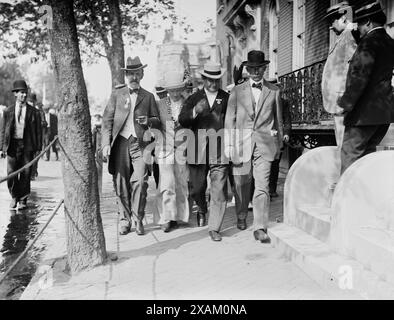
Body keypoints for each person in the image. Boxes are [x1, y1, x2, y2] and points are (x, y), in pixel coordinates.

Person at [225, 50, 284, 243]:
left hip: (265, 144)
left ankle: (260, 226)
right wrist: (229, 144)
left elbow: (279, 119)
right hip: (242, 143)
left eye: (260, 68)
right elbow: (229, 120)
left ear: (265, 68)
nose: (256, 72)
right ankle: (241, 215)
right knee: (242, 183)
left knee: (262, 186)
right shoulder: (236, 91)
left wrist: (279, 143)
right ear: (247, 70)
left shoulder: (274, 91)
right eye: (252, 69)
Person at [102, 56, 161, 236]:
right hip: (120, 143)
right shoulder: (117, 94)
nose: (134, 77)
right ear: (126, 76)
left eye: (137, 73)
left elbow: (157, 121)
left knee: (141, 181)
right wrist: (105, 144)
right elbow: (107, 121)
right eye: (130, 74)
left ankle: (138, 217)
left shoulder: (149, 97)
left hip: (141, 144)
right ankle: (124, 220)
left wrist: (149, 121)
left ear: (142, 74)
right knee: (120, 183)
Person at [337, 2, 394, 174]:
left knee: (350, 157)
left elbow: (358, 77)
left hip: (362, 115)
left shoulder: (368, 43)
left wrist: (345, 103)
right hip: (383, 114)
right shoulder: (390, 42)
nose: (358, 28)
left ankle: (346, 199)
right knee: (367, 160)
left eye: (360, 24)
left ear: (368, 22)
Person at [178, 62, 229, 242]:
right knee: (197, 188)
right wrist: (194, 111)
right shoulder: (194, 98)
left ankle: (214, 227)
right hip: (197, 149)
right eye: (210, 80)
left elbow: (231, 121)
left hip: (219, 149)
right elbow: (182, 120)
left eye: (217, 80)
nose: (214, 84)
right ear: (204, 79)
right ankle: (201, 208)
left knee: (219, 190)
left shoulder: (226, 97)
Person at [155, 71, 190, 232]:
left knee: (181, 182)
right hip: (164, 147)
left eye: (178, 89)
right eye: (172, 90)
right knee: (167, 183)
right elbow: (155, 122)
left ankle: (180, 216)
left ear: (182, 88)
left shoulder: (188, 103)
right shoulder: (160, 104)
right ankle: (166, 218)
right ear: (167, 90)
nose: (175, 93)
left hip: (182, 147)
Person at [0, 80, 42, 210]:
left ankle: (23, 200)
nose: (24, 95)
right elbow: (3, 130)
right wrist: (1, 148)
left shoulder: (34, 112)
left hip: (27, 146)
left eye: (25, 93)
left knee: (26, 173)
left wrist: (38, 149)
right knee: (11, 173)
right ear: (15, 94)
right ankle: (14, 197)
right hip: (12, 146)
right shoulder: (8, 111)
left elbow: (38, 132)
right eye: (21, 93)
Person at [321, 1, 358, 148]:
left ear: (343, 18)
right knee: (342, 145)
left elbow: (356, 67)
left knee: (346, 147)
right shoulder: (344, 36)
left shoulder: (352, 34)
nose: (330, 26)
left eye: (332, 21)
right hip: (338, 103)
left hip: (344, 101)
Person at [267, 78, 291, 198]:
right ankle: (263, 189)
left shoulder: (284, 102)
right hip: (265, 137)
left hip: (278, 137)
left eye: (277, 87)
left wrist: (286, 133)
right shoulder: (263, 101)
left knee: (275, 164)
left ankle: (272, 189)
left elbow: (287, 119)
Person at [28, 93, 46, 180]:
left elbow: (43, 123)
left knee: (35, 156)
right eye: (30, 101)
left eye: (32, 102)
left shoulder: (39, 112)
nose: (31, 103)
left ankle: (33, 171)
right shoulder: (24, 110)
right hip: (27, 139)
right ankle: (30, 172)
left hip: (36, 138)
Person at [92, 113, 103, 197]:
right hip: (93, 150)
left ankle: (99, 190)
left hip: (99, 151)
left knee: (99, 169)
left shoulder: (100, 129)